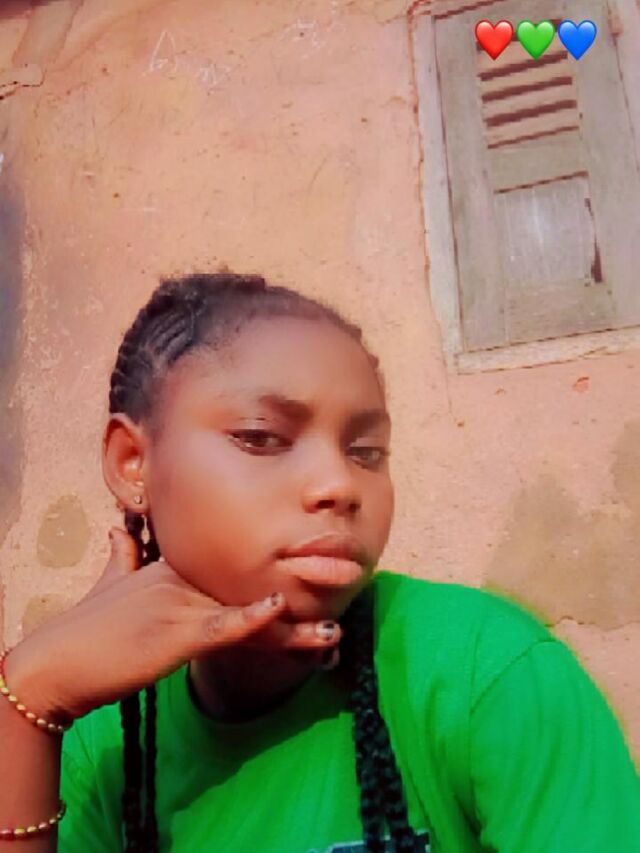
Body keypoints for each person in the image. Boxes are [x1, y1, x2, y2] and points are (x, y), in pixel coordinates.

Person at [1, 273, 639, 853]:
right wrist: (28, 698)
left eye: (366, 451)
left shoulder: (484, 674)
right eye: (261, 438)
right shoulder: (104, 746)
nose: (339, 484)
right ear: (131, 464)